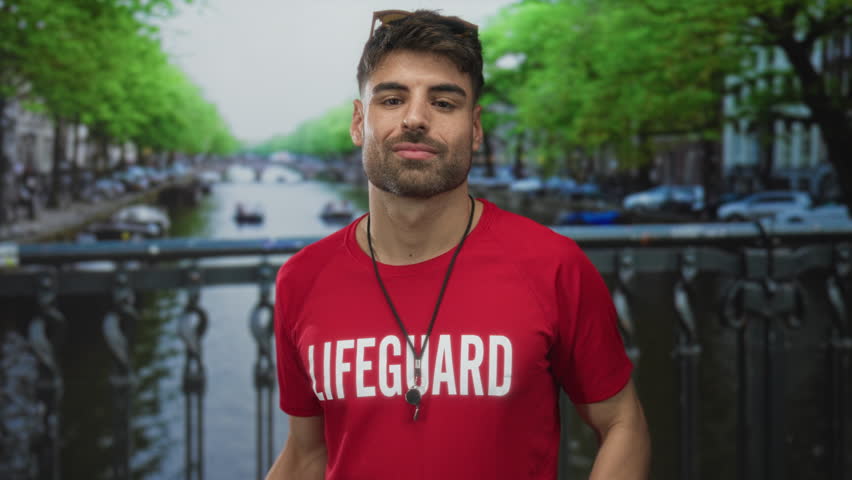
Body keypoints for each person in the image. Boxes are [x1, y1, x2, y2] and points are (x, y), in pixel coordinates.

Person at [268, 9, 650, 480]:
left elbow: (622, 422)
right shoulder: (301, 279)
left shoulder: (553, 266)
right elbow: (307, 454)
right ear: (357, 121)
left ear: (475, 127)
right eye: (392, 99)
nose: (415, 118)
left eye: (444, 103)